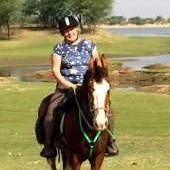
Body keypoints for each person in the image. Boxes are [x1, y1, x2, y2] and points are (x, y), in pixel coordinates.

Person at [39, 14, 119, 158]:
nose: (69, 32)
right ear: (62, 33)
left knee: (109, 109)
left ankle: (110, 142)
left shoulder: (90, 45)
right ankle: (49, 145)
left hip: (88, 87)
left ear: (77, 29)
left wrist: (97, 81)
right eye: (66, 30)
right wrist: (66, 84)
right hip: (66, 88)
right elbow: (55, 71)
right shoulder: (59, 48)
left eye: (71, 29)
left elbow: (97, 67)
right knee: (51, 110)